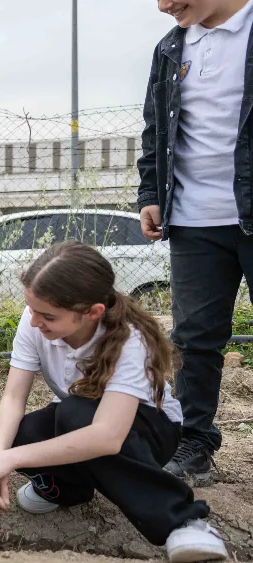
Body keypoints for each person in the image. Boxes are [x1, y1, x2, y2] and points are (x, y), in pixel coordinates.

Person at [0, 241, 228, 563]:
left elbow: (107, 435)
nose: (34, 322)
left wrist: (9, 459)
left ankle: (183, 522)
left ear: (92, 312)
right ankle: (68, 490)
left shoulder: (129, 339)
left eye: (48, 316)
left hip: (150, 431)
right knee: (24, 432)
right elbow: (13, 399)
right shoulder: (35, 321)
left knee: (76, 415)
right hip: (84, 416)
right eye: (31, 309)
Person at [138, 0, 253, 485]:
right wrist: (150, 193)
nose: (163, 5)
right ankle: (195, 440)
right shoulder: (170, 48)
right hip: (193, 220)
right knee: (194, 338)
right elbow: (155, 129)